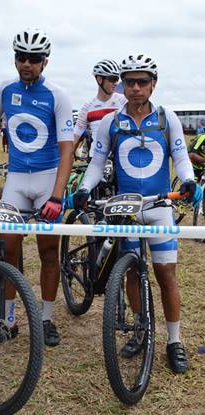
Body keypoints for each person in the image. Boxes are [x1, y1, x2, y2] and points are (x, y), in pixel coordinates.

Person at [71, 54, 203, 373]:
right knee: (131, 271)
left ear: (153, 84)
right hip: (126, 209)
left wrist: (187, 180)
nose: (135, 88)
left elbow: (181, 156)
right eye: (129, 81)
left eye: (142, 81)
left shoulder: (166, 117)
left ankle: (174, 341)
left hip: (159, 208)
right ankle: (141, 328)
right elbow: (96, 163)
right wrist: (85, 188)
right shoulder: (110, 122)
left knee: (166, 275)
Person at [0, 28, 74, 347]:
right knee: (8, 253)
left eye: (34, 59)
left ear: (45, 62)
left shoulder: (58, 95)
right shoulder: (4, 90)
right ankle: (8, 321)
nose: (27, 64)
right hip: (17, 180)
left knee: (48, 252)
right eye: (21, 58)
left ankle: (46, 319)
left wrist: (58, 195)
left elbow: (67, 149)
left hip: (48, 179)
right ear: (15, 59)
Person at [73, 59, 126, 159]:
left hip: (119, 158)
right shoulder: (88, 107)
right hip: (96, 159)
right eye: (112, 79)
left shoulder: (124, 101)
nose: (116, 83)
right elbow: (75, 136)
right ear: (99, 79)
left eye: (117, 79)